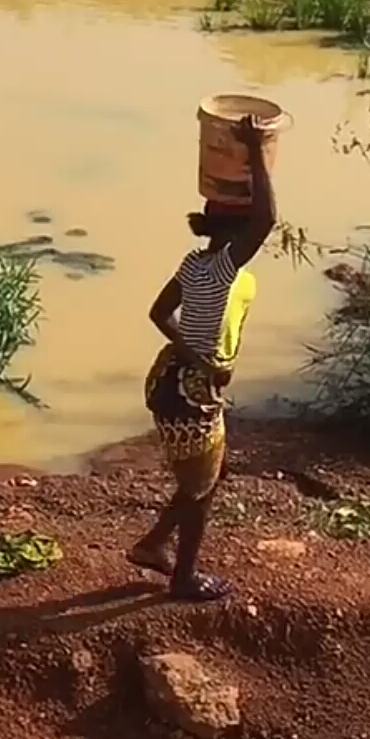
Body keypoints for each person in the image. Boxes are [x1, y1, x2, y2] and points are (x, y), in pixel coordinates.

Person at [128, 116, 276, 602]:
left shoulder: (195, 263)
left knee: (204, 477)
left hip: (169, 379)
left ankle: (152, 545)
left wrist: (194, 355)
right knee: (200, 489)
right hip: (191, 393)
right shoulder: (228, 266)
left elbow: (158, 312)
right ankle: (184, 578)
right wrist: (255, 149)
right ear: (238, 234)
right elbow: (268, 219)